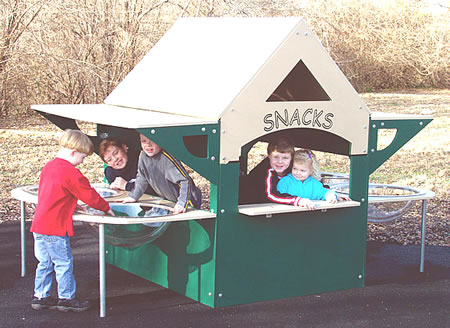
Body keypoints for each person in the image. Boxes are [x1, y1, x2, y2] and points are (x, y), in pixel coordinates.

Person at [30, 129, 115, 312]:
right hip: (55, 227)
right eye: (82, 158)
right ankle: (66, 297)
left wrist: (72, 204)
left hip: (39, 225)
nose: (82, 163)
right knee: (63, 262)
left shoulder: (50, 166)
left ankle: (41, 296)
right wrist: (106, 208)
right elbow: (89, 195)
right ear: (73, 152)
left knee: (44, 262)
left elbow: (52, 193)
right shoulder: (71, 172)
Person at [122, 134, 202, 214]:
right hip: (169, 200)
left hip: (187, 199)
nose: (148, 145)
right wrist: (133, 196)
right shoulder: (143, 156)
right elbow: (142, 178)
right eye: (144, 141)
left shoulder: (167, 159)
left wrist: (182, 203)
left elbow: (185, 181)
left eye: (152, 140)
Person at [238, 135, 303, 205]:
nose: (280, 161)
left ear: (291, 158)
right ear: (269, 156)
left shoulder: (294, 169)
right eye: (276, 157)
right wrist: (296, 200)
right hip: (247, 203)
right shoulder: (266, 171)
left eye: (285, 158)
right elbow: (270, 196)